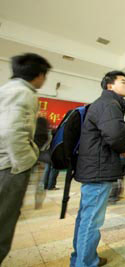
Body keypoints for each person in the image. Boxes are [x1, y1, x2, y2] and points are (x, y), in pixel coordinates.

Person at [71, 71, 125, 267]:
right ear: (109, 86)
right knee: (91, 220)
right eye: (123, 82)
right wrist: (124, 148)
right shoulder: (109, 104)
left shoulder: (105, 104)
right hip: (98, 168)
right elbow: (114, 135)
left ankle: (82, 258)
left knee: (85, 217)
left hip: (94, 167)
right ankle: (85, 263)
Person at [0, 53, 51, 265]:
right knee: (3, 224)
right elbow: (12, 131)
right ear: (38, 75)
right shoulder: (23, 93)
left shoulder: (7, 89)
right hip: (9, 168)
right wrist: (27, 161)